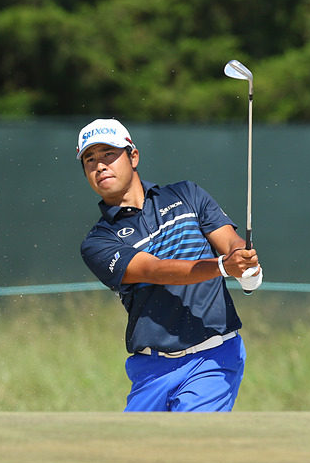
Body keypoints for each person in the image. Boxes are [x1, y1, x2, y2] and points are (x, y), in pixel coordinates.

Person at [77, 118, 263, 412]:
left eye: (108, 154)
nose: (99, 165)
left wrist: (245, 261)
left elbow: (231, 242)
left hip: (213, 358)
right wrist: (224, 267)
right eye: (90, 159)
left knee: (188, 446)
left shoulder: (186, 195)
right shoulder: (98, 242)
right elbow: (155, 271)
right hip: (151, 371)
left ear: (133, 156)